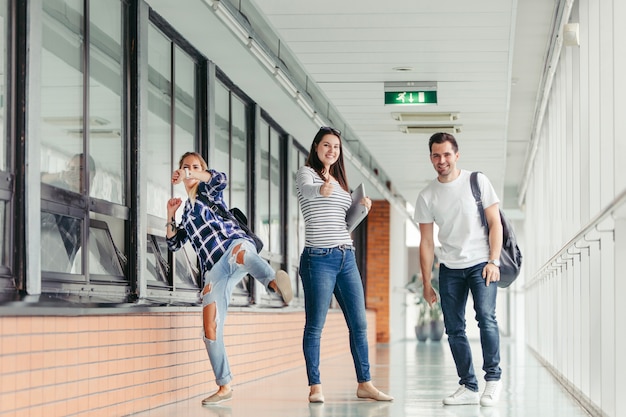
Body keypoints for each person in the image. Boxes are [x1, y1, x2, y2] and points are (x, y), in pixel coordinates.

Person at [166, 151, 293, 406]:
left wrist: (193, 174)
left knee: (241, 253)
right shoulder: (187, 215)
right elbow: (173, 244)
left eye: (195, 166)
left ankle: (274, 282)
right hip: (215, 270)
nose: (189, 171)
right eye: (185, 167)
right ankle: (224, 385)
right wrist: (170, 214)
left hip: (233, 246)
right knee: (209, 329)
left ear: (200, 171)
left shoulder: (208, 193)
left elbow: (220, 178)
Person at [296, 126, 393, 404]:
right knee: (315, 325)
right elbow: (309, 191)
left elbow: (344, 222)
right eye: (326, 145)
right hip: (318, 258)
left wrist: (360, 208)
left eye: (336, 147)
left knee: (359, 324)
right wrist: (321, 188)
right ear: (316, 147)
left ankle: (365, 383)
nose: (331, 150)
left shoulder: (339, 182)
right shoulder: (307, 174)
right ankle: (315, 386)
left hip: (345, 256)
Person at [414, 132, 503, 407]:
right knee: (454, 329)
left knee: (486, 318)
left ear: (457, 155)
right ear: (431, 158)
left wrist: (494, 260)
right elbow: (427, 242)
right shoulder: (427, 195)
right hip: (450, 268)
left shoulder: (477, 181)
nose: (442, 160)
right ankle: (469, 385)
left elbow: (495, 223)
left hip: (481, 264)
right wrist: (427, 283)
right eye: (436, 155)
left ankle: (493, 380)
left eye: (447, 154)